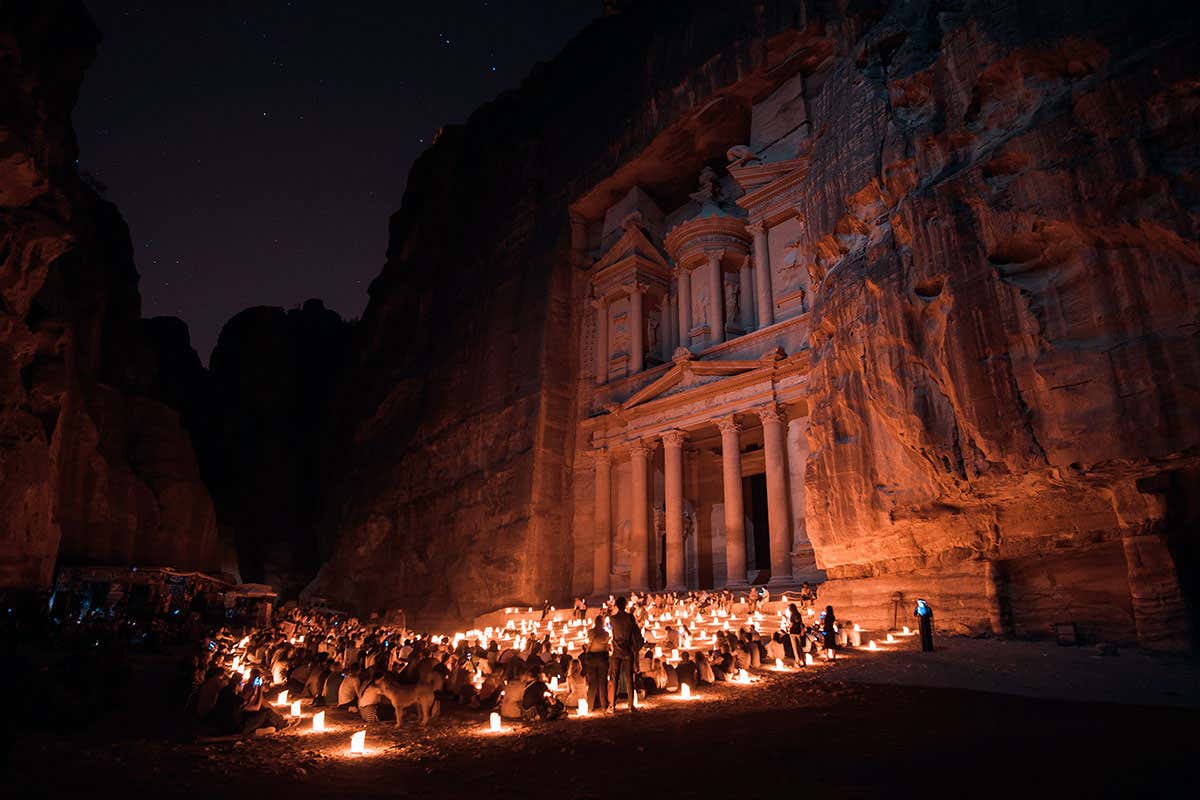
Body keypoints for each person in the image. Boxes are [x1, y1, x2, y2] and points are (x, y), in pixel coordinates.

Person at [608, 596, 643, 711]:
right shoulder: (630, 617)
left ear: (617, 606)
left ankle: (612, 705)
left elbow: (611, 631)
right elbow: (634, 631)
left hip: (617, 651)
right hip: (627, 650)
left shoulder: (612, 619)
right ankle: (630, 705)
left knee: (615, 678)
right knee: (629, 678)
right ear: (625, 605)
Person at [584, 615, 610, 712]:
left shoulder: (590, 632)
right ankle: (604, 706)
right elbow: (606, 645)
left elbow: (588, 644)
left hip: (592, 657)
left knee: (592, 683)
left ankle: (590, 707)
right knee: (602, 682)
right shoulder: (606, 634)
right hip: (602, 657)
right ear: (603, 623)